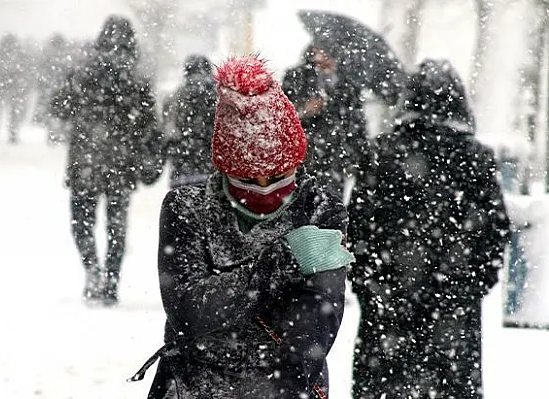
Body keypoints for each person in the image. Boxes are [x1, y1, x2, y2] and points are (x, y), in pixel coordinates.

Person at [129, 56, 354, 399]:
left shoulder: (320, 211)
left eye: (278, 177)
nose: (264, 188)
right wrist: (283, 261)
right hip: (192, 385)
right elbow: (189, 312)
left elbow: (313, 326)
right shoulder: (186, 209)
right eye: (248, 179)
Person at [347, 59, 510, 399]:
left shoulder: (380, 153)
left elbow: (356, 229)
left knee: (383, 388)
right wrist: (468, 287)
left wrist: (371, 284)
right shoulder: (475, 157)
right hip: (452, 311)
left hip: (388, 305)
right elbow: (494, 232)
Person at [51, 15, 162, 306]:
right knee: (116, 225)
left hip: (85, 159)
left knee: (82, 222)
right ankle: (111, 281)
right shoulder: (136, 80)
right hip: (120, 163)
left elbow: (59, 107)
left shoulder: (82, 73)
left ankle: (92, 270)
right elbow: (149, 126)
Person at [282, 44, 372, 196]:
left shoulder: (348, 85)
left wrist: (357, 158)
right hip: (301, 161)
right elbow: (281, 117)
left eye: (328, 53)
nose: (322, 58)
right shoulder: (296, 77)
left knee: (329, 210)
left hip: (334, 162)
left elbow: (357, 124)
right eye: (319, 51)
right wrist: (303, 110)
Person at [162, 54, 217, 188]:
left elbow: (167, 135)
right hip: (213, 176)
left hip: (181, 174)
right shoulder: (219, 97)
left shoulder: (174, 99)